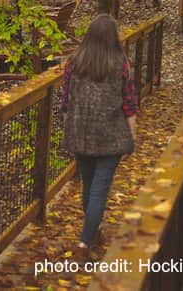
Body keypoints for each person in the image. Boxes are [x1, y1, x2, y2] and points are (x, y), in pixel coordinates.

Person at [59, 14, 138, 252]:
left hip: (81, 133)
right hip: (110, 135)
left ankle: (91, 234)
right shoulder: (121, 63)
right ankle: (85, 240)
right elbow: (129, 104)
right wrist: (133, 135)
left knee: (89, 184)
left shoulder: (73, 63)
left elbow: (65, 102)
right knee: (99, 188)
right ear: (113, 37)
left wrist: (70, 126)